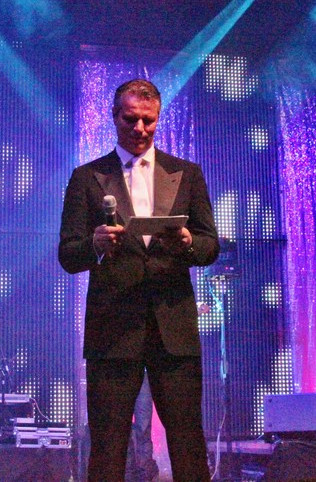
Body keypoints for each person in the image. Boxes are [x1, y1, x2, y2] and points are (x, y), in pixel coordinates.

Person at [59, 79, 219, 481]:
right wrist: (95, 245)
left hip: (173, 326)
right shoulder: (87, 177)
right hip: (112, 329)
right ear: (114, 117)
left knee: (187, 442)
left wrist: (188, 242)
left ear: (158, 118)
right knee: (108, 445)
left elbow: (210, 245)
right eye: (130, 119)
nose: (140, 128)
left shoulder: (186, 173)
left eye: (149, 120)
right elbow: (67, 254)